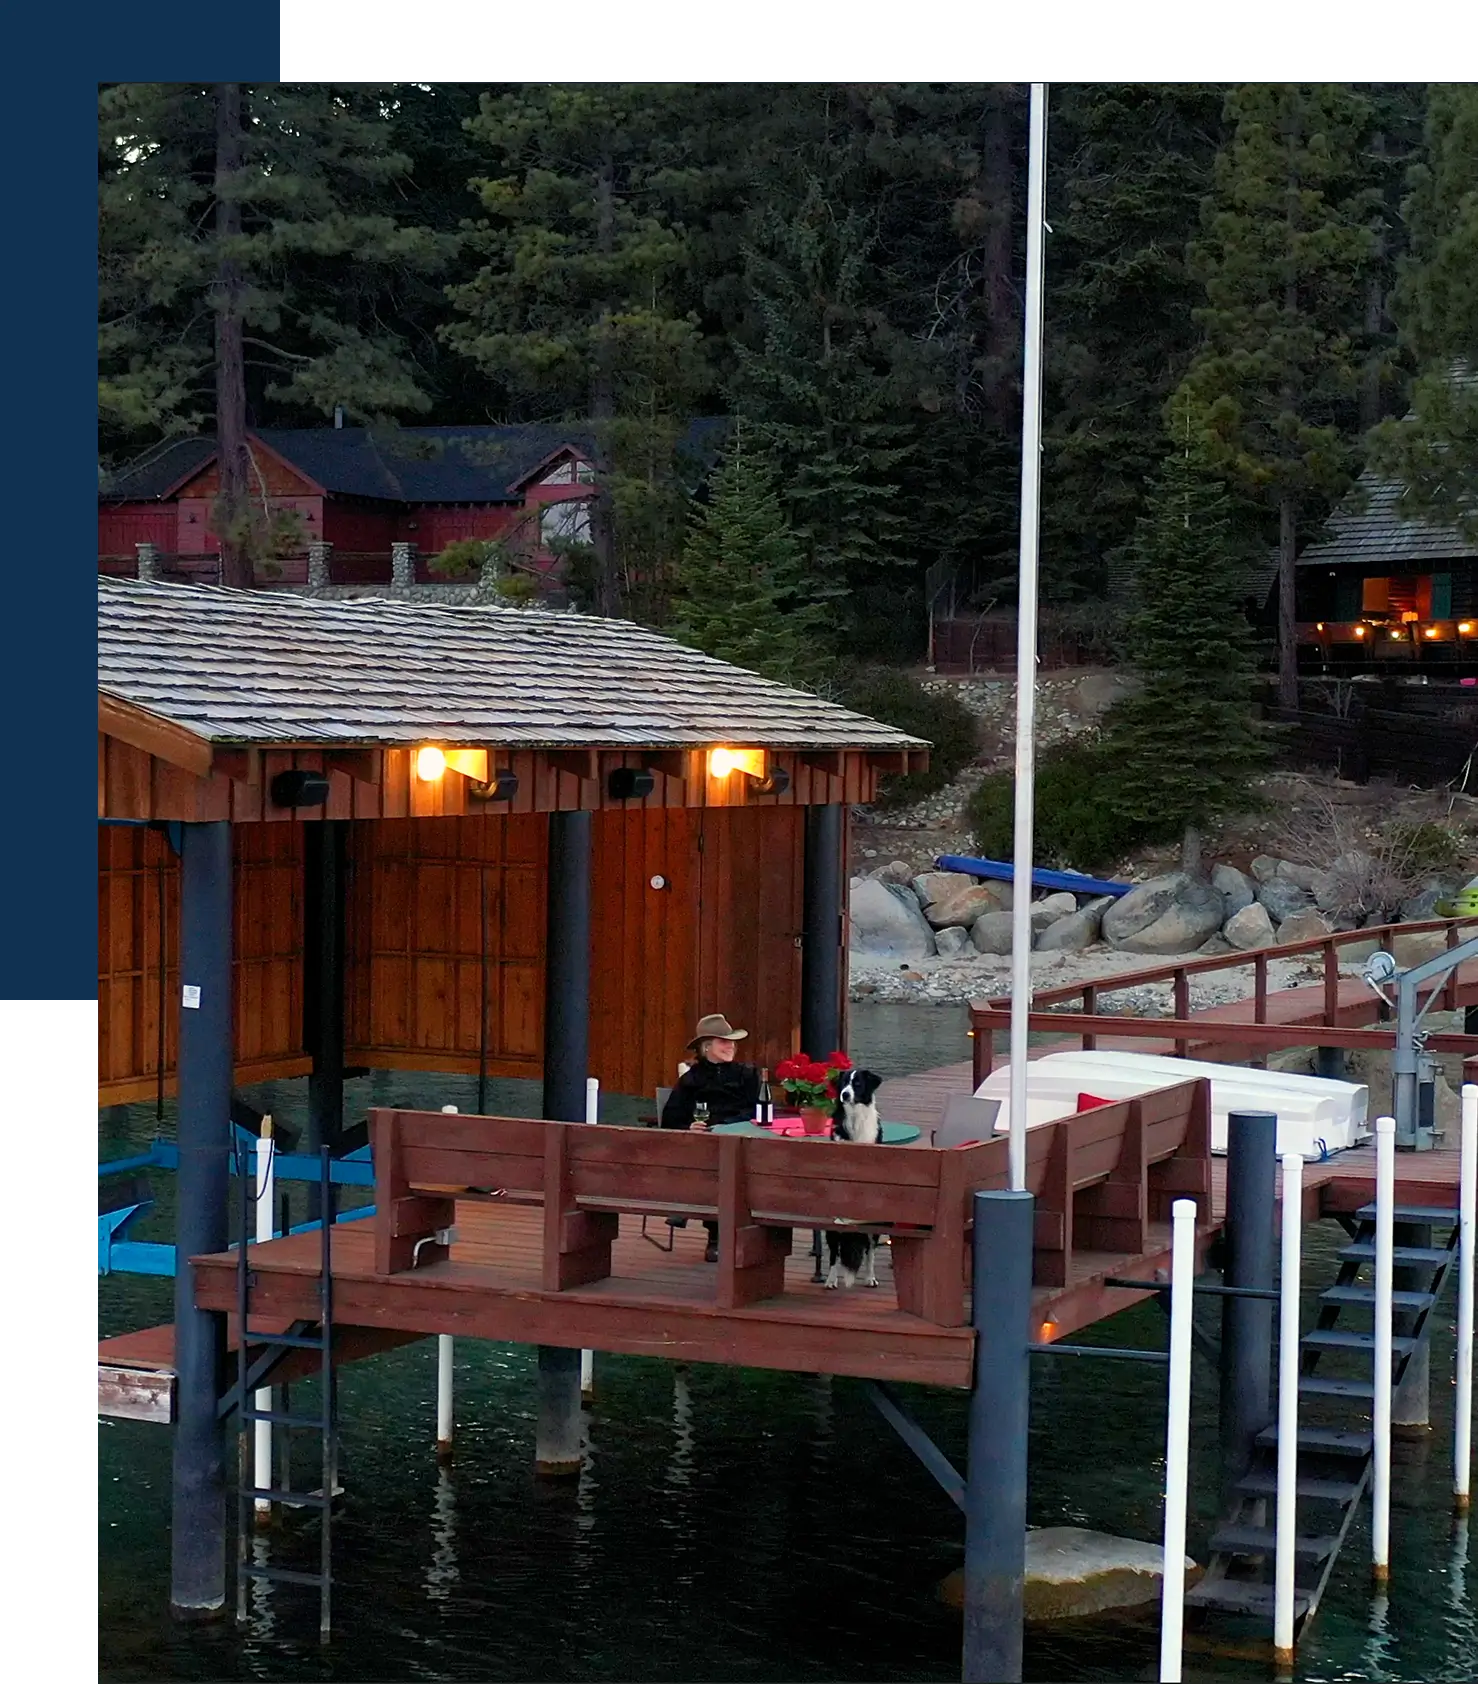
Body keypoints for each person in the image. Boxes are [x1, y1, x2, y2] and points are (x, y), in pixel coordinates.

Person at [660, 1014, 760, 1261]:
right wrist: (688, 1127)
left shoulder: (747, 1074)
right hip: (704, 1148)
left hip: (740, 1141)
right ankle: (716, 1236)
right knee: (712, 1164)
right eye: (723, 1042)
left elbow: (758, 1110)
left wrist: (724, 1126)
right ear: (706, 1047)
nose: (730, 1047)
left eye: (732, 1042)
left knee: (723, 1163)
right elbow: (670, 1119)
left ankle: (686, 1203)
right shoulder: (691, 1079)